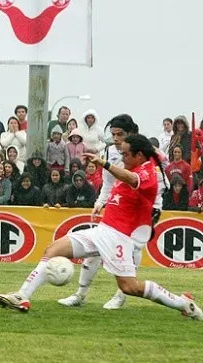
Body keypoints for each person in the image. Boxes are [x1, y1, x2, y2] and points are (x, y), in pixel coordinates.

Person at [0, 134, 203, 321]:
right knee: (53, 250)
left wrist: (104, 163)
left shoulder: (148, 172)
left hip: (119, 237)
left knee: (130, 287)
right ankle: (23, 296)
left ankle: (184, 303)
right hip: (102, 230)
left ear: (140, 155)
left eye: (127, 155)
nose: (123, 158)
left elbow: (131, 179)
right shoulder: (131, 166)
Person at [57, 114, 166, 310]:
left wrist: (153, 205)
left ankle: (121, 294)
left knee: (133, 248)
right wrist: (100, 201)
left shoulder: (146, 151)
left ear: (131, 134)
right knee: (96, 247)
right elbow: (108, 181)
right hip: (120, 204)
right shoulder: (109, 151)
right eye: (113, 134)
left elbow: (160, 181)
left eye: (120, 134)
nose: (115, 139)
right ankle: (80, 294)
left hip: (144, 208)